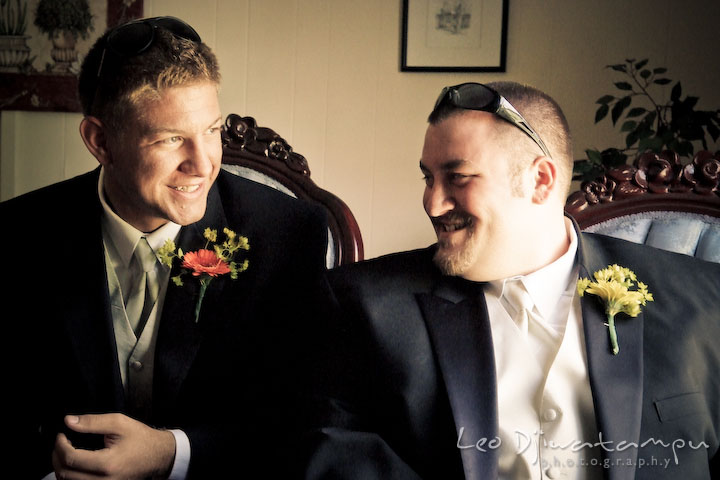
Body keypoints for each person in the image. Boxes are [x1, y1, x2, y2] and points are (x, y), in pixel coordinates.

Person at [301, 81, 720, 479]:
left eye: (458, 177)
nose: (432, 202)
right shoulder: (362, 304)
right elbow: (334, 455)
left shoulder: (698, 298)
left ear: (541, 181)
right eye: (428, 178)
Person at [2, 16, 328, 479]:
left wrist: (172, 454)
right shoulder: (18, 235)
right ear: (100, 142)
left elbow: (310, 419)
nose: (203, 164)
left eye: (211, 130)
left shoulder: (288, 233)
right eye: (171, 138)